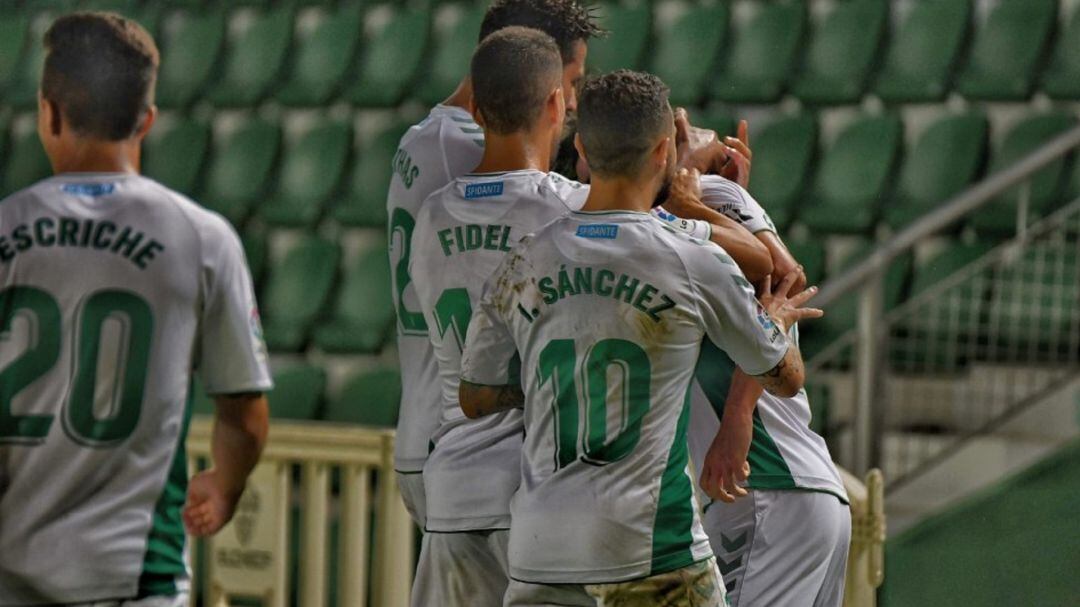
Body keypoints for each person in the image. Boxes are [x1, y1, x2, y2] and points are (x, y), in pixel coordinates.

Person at [457, 70, 822, 606]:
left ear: (580, 146)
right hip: (652, 553)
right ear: (662, 154)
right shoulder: (691, 256)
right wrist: (776, 317)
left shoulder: (525, 259)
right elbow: (786, 377)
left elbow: (475, 397)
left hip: (539, 553)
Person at [0, 13, 271, 606]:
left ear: (48, 113)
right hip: (135, 577)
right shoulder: (203, 237)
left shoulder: (5, 225)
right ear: (146, 120)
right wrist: (223, 489)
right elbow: (246, 416)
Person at [386, 0, 603, 531]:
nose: (571, 102)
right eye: (569, 82)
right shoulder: (470, 152)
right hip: (479, 435)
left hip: (434, 432)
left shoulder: (425, 139)